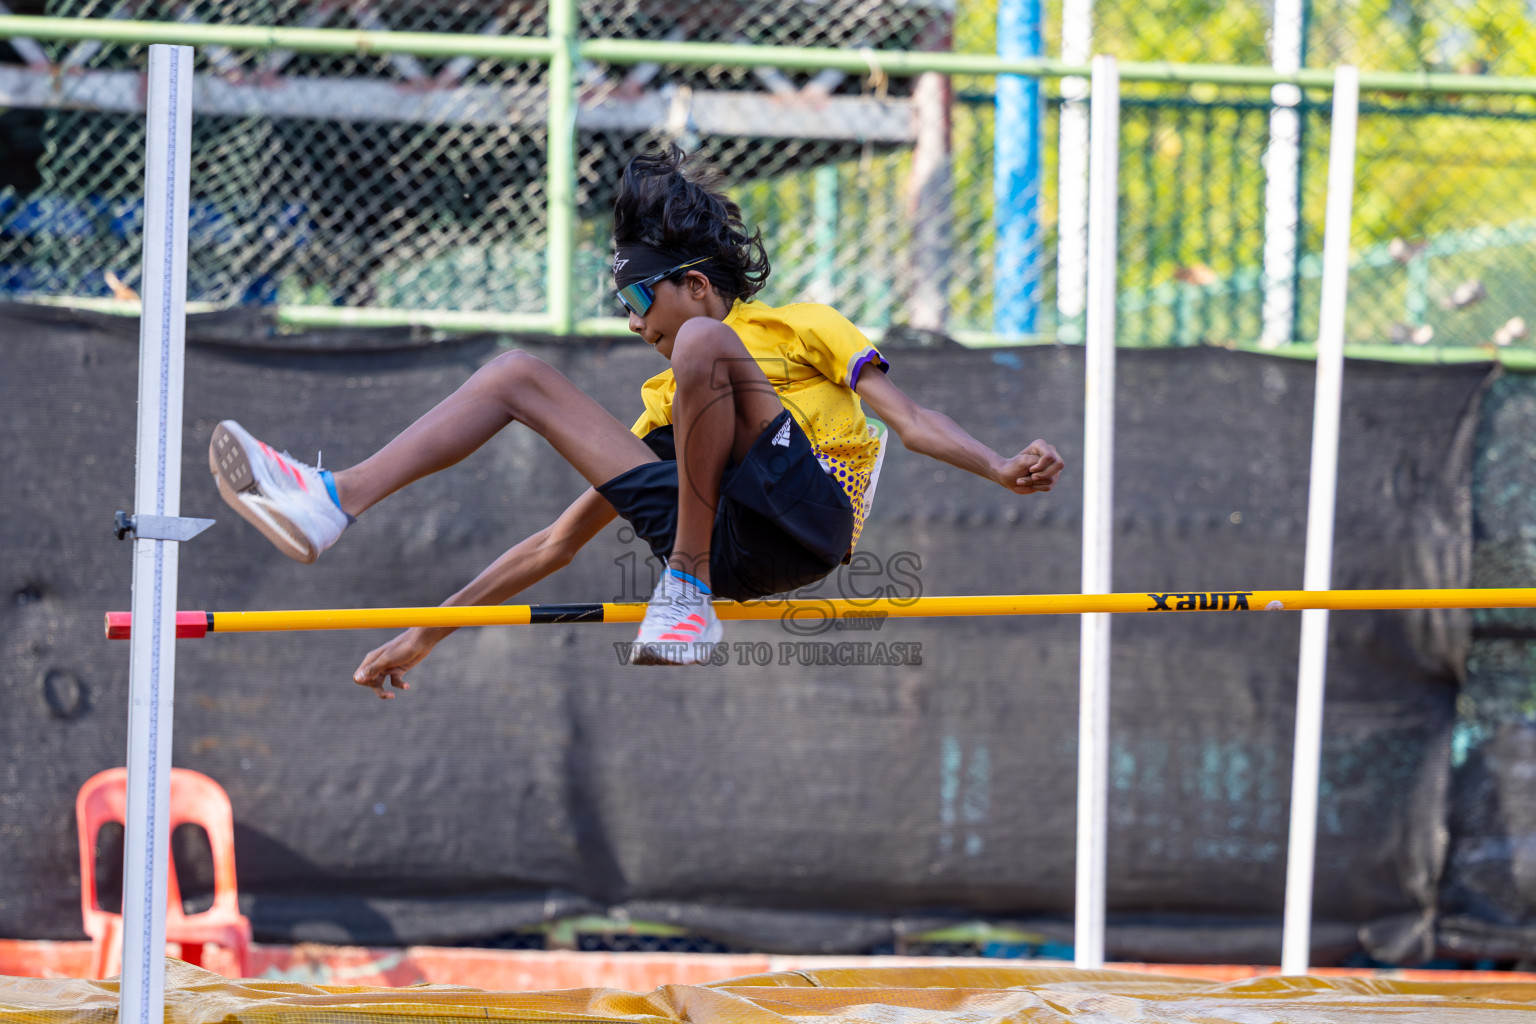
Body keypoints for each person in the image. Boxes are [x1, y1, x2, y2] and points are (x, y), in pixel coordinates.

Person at [209, 146, 1064, 693]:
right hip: (727, 544)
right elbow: (554, 545)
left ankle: (682, 589)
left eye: (634, 295)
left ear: (696, 281)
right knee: (517, 374)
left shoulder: (798, 328)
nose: (627, 319)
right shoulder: (671, 401)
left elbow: (909, 420)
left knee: (701, 349)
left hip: (808, 518)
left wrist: (995, 464)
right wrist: (424, 635)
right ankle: (333, 500)